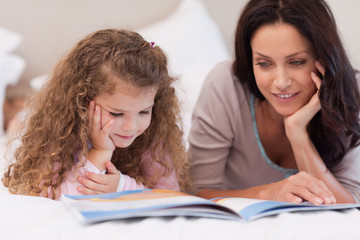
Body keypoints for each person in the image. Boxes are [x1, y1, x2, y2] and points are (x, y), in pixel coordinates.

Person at [189, 0, 360, 204]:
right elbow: (196, 193)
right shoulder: (225, 85)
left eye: (296, 62)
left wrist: (297, 134)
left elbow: (350, 205)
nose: (281, 82)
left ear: (323, 58)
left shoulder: (351, 93)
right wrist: (269, 193)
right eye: (264, 64)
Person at [2, 29, 190, 200]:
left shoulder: (153, 133)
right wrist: (100, 152)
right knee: (20, 125)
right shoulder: (61, 130)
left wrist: (121, 186)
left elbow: (170, 196)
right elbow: (48, 195)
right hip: (27, 125)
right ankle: (16, 114)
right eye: (116, 113)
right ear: (83, 101)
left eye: (144, 111)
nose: (131, 126)